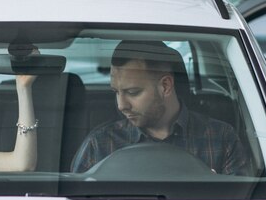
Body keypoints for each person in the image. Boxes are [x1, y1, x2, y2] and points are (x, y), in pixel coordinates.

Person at [70, 40, 249, 175]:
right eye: (116, 92)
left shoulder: (221, 138)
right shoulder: (100, 145)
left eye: (132, 92)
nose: (121, 105)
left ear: (165, 86)